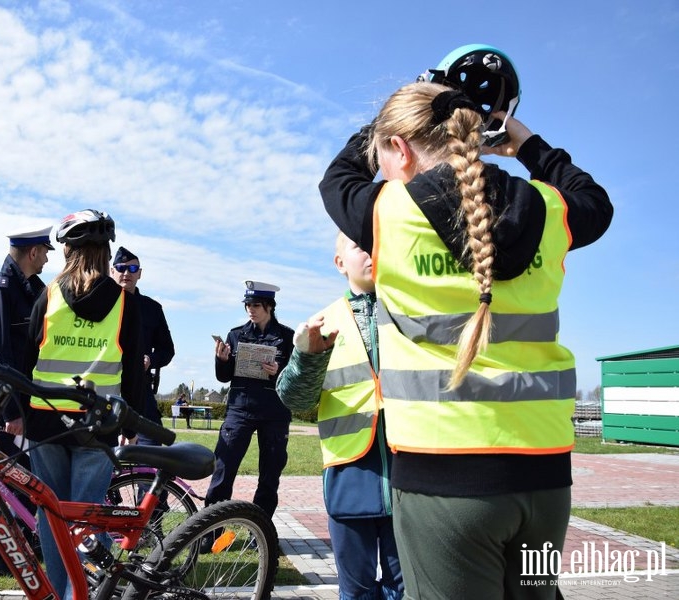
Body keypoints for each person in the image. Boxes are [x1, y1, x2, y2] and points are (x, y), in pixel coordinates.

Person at [319, 46, 612, 598]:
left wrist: (418, 96)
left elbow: (337, 177)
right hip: (545, 481)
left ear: (398, 148)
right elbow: (594, 200)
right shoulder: (548, 210)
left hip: (445, 483)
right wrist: (523, 141)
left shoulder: (389, 213)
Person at [22, 209, 144, 599]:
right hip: (98, 424)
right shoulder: (125, 303)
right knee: (87, 517)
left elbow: (27, 360)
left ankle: (57, 592)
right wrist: (132, 424)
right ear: (106, 253)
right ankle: (87, 592)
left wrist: (20, 415)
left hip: (46, 422)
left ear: (67, 252)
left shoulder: (48, 296)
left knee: (51, 515)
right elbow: (134, 373)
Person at [277, 231, 403, 600]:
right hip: (350, 475)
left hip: (410, 474)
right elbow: (295, 399)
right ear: (339, 263)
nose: (371, 250)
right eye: (359, 244)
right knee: (357, 591)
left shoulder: (413, 312)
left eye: (378, 240)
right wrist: (308, 357)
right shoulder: (324, 321)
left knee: (408, 588)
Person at [0, 226, 53, 574]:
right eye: (45, 251)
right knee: (5, 483)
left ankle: (18, 545)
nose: (49, 257)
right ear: (32, 252)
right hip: (8, 408)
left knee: (24, 482)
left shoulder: (33, 289)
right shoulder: (0, 293)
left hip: (27, 404)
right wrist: (9, 411)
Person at [207, 280, 294, 520]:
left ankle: (261, 529)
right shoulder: (235, 335)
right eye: (247, 305)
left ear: (269, 306)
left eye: (256, 305)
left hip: (274, 412)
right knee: (223, 470)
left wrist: (279, 369)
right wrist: (222, 360)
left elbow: (296, 375)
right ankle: (211, 530)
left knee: (269, 475)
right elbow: (223, 377)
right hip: (240, 409)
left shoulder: (287, 337)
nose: (250, 310)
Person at [110, 246, 175, 444]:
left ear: (140, 273)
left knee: (151, 449)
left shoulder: (151, 309)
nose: (126, 273)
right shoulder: (99, 304)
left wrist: (151, 360)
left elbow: (167, 350)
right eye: (121, 268)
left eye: (132, 269)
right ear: (111, 271)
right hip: (106, 387)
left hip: (140, 389)